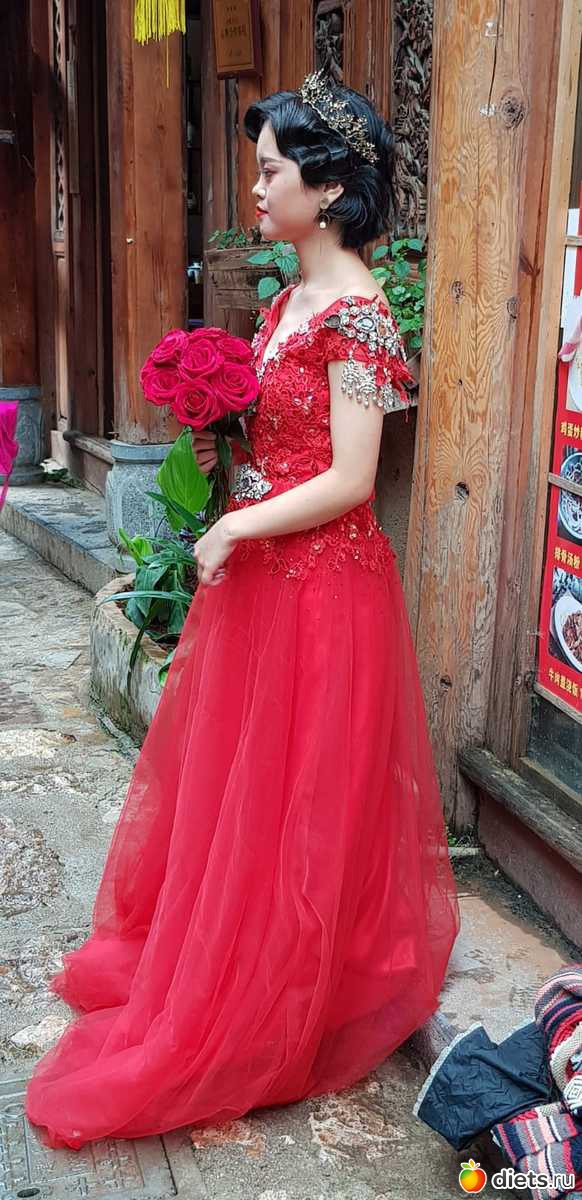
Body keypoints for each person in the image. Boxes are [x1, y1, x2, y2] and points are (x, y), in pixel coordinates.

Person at [25, 70, 460, 1150]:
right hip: (265, 576)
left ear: (329, 186)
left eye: (271, 171)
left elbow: (352, 478)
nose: (256, 189)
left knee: (299, 791)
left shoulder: (359, 313)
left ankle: (280, 984)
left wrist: (232, 527)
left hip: (323, 590)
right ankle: (230, 948)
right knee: (241, 787)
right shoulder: (284, 301)